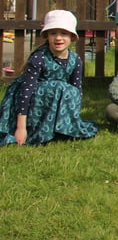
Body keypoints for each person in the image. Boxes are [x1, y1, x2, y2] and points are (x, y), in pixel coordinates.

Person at [0, 10, 98, 146]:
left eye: (63, 33)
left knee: (71, 90)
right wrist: (20, 128)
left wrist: (74, 118)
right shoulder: (39, 58)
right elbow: (26, 92)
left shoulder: (76, 60)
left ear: (72, 37)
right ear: (47, 36)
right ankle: (37, 130)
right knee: (58, 87)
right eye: (53, 33)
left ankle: (63, 128)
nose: (58, 38)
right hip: (33, 100)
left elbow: (77, 90)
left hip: (56, 97)